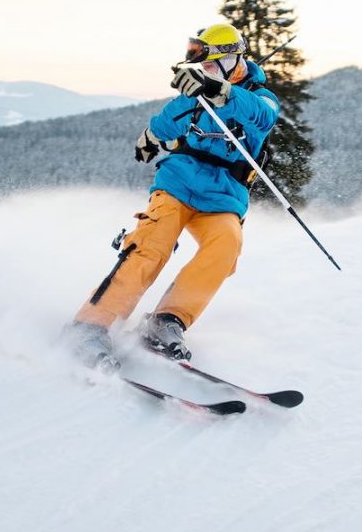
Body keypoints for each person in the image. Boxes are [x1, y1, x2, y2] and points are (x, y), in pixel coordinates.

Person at [65, 23, 280, 369]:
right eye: (200, 65)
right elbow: (170, 119)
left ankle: (166, 321)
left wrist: (219, 90)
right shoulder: (194, 94)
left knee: (226, 244)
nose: (203, 71)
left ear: (229, 59)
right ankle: (90, 325)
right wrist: (150, 138)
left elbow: (262, 115)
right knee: (153, 241)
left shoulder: (259, 98)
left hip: (224, 195)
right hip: (178, 181)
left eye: (209, 64)